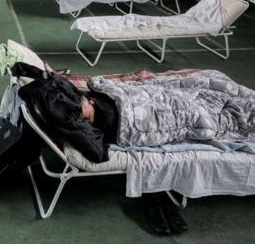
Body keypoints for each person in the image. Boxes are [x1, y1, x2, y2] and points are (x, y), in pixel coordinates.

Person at [80, 95, 187, 236]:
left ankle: (162, 202)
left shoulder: (107, 116)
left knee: (149, 153)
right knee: (148, 155)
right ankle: (156, 201)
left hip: (146, 115)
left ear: (92, 103)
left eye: (87, 118)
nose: (88, 123)